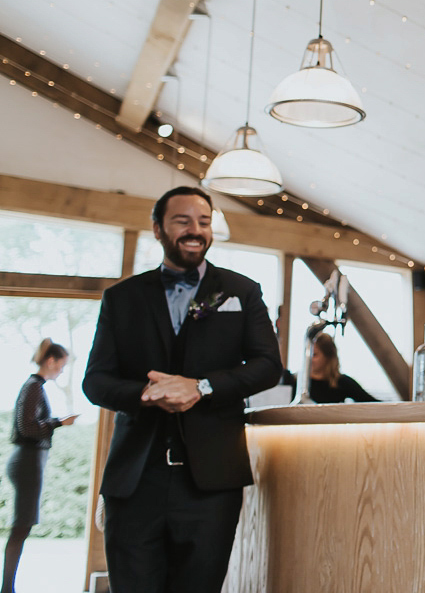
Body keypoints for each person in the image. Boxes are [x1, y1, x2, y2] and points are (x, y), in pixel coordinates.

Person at [83, 186, 282, 593]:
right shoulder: (122, 299)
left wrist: (202, 387)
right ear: (157, 229)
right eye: (183, 221)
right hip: (136, 482)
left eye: (204, 222)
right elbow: (96, 381)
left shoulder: (242, 291)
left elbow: (267, 366)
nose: (195, 230)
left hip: (211, 482)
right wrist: (146, 393)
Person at [3, 339, 77, 593]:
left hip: (28, 461)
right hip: (26, 461)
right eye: (62, 366)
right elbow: (28, 427)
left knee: (22, 525)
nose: (62, 371)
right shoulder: (33, 386)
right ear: (51, 361)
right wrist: (58, 422)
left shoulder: (35, 386)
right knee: (21, 526)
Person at [305, 333, 379, 403]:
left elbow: (372, 403)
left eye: (314, 354)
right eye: (307, 354)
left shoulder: (341, 382)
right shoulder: (297, 382)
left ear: (327, 356)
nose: (309, 358)